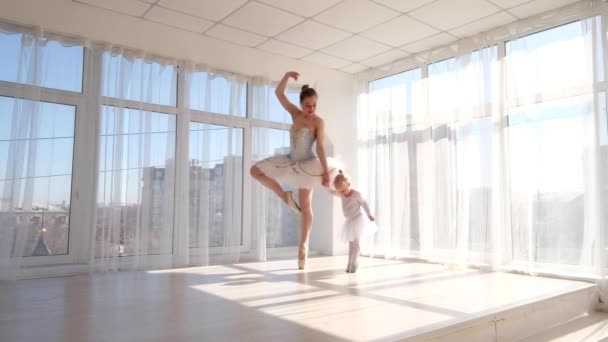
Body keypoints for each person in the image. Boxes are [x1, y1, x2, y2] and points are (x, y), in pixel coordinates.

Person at [250, 71, 339, 269]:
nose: (311, 109)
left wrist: (325, 172)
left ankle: (303, 245)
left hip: (308, 165)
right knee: (255, 171)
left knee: (306, 207)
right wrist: (287, 75)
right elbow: (279, 94)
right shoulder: (295, 114)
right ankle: (284, 196)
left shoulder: (318, 122)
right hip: (291, 160)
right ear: (301, 104)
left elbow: (321, 148)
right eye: (308, 105)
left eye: (314, 105)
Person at [330, 170, 377, 273]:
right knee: (351, 243)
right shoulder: (341, 193)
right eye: (340, 191)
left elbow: (364, 203)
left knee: (356, 243)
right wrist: (326, 184)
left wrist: (370, 214)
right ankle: (349, 263)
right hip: (350, 221)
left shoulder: (357, 194)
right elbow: (332, 192)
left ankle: (354, 262)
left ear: (349, 184)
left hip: (358, 219)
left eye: (343, 190)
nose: (342, 193)